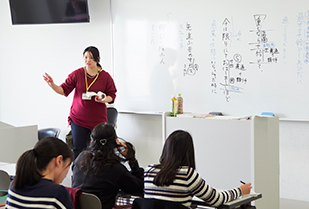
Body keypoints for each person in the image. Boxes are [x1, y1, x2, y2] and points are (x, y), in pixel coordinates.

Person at [144, 130, 252, 208]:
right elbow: (216, 199)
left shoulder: (148, 171)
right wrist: (240, 190)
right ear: (188, 152)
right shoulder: (187, 174)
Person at [43, 46, 117, 158]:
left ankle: (96, 174)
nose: (88, 60)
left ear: (98, 59)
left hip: (98, 120)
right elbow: (63, 90)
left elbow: (111, 96)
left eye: (91, 58)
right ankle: (78, 175)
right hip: (78, 119)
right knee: (79, 150)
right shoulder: (77, 74)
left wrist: (103, 99)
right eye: (86, 57)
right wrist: (52, 85)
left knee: (100, 151)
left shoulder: (105, 77)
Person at [72, 123, 144, 209]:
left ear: (92, 141)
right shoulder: (114, 168)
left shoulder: (81, 157)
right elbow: (140, 188)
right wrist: (132, 160)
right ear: (115, 142)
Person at [5, 137, 74, 209]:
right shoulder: (58, 193)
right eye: (67, 166)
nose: (66, 174)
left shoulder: (15, 185)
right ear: (59, 160)